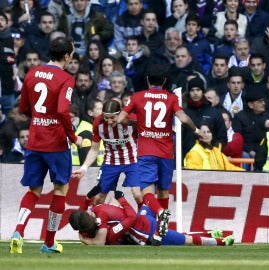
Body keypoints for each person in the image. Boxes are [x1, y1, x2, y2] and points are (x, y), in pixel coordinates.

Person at [9, 37, 82, 254]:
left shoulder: (31, 73)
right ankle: (49, 242)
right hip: (57, 143)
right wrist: (73, 136)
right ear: (67, 56)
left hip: (34, 140)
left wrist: (40, 119)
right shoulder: (66, 79)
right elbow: (61, 110)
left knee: (34, 189)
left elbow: (23, 108)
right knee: (61, 189)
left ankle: (18, 232)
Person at [116, 64, 202, 246]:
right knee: (163, 191)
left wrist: (137, 123)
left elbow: (120, 118)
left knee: (147, 192)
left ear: (148, 80)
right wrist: (196, 130)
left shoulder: (137, 97)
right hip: (166, 153)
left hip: (146, 151)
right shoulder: (171, 98)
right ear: (164, 81)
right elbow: (184, 118)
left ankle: (161, 215)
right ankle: (159, 232)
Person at [69, 193, 235, 246]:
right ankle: (216, 237)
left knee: (186, 240)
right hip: (143, 224)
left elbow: (101, 241)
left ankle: (221, 241)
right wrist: (121, 200)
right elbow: (120, 211)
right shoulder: (98, 214)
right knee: (148, 195)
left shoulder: (105, 227)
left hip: (144, 228)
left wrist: (122, 201)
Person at [72, 98, 142, 210]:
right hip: (110, 162)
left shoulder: (131, 120)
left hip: (132, 161)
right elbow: (94, 149)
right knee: (98, 197)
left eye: (112, 118)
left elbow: (146, 137)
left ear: (119, 114)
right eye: (106, 117)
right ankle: (97, 223)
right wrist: (84, 168)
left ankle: (143, 222)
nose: (109, 121)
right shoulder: (98, 123)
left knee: (138, 195)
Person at [182, 77, 228, 160]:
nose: (195, 93)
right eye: (192, 90)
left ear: (203, 91)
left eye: (198, 90)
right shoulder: (183, 113)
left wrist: (213, 151)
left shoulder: (214, 113)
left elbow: (223, 138)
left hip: (210, 159)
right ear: (189, 92)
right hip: (187, 158)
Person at [0, 10, 16, 115]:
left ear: (7, 23)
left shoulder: (11, 40)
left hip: (8, 90)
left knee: (11, 120)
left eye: (1, 20)